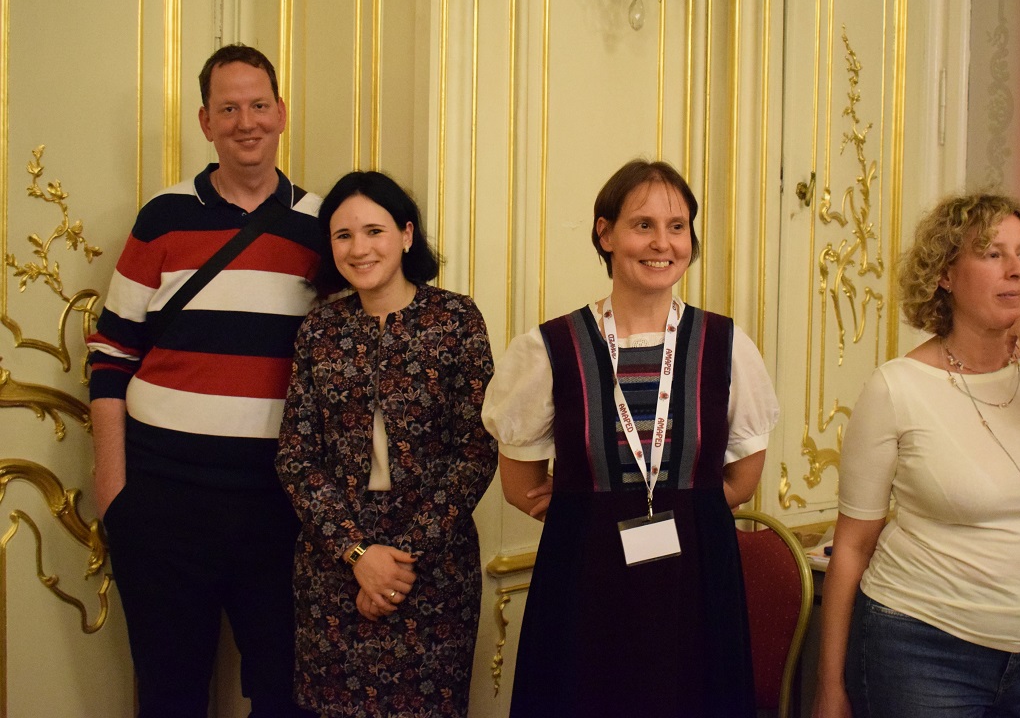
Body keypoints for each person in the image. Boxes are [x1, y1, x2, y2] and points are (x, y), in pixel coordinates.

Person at [812, 191, 1020, 718]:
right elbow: (852, 545)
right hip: (917, 645)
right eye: (992, 254)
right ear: (944, 275)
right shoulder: (898, 386)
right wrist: (829, 688)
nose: (1015, 270)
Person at [482, 158, 781, 718]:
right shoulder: (550, 348)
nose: (662, 242)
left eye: (677, 226)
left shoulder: (726, 345)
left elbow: (742, 478)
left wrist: (676, 508)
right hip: (585, 579)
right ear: (606, 233)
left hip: (698, 576)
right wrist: (589, 513)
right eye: (643, 224)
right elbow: (520, 485)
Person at [87, 44, 321, 716]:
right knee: (171, 695)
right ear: (205, 121)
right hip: (163, 500)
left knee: (287, 692)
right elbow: (111, 355)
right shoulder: (162, 217)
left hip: (278, 506)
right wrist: (115, 493)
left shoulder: (321, 226)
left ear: (281, 113)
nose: (246, 122)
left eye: (258, 105)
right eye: (228, 109)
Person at [276, 170, 497, 718]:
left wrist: (398, 563)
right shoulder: (319, 330)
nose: (359, 248)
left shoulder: (456, 320)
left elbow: (476, 450)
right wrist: (357, 554)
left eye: (374, 231)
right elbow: (297, 457)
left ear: (406, 234)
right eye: (343, 235)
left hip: (434, 571)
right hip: (333, 570)